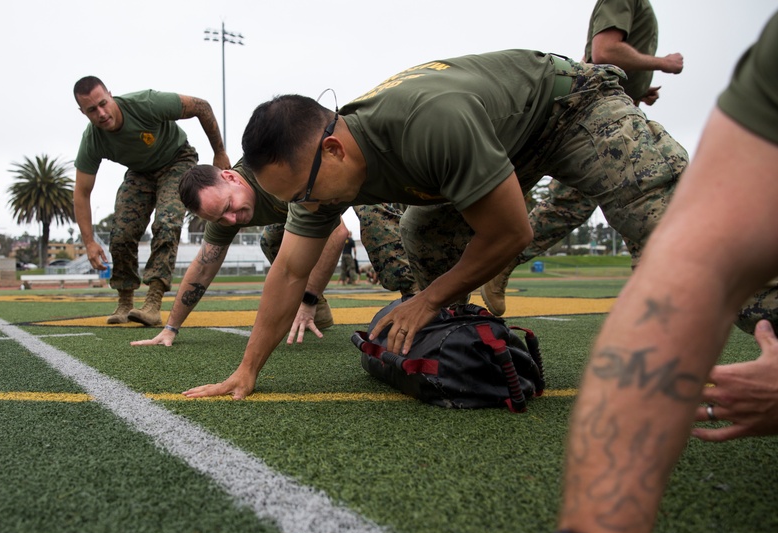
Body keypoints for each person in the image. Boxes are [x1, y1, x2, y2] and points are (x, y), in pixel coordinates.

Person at [372, 12, 778, 533]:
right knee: (449, 229)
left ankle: (496, 263)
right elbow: (698, 253)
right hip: (554, 111)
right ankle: (491, 271)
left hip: (572, 103)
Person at [184, 47, 686, 400]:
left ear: (332, 150)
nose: (306, 206)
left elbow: (513, 233)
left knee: (667, 222)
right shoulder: (317, 171)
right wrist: (247, 370)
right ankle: (464, 341)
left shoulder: (427, 123)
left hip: (565, 108)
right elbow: (289, 273)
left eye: (305, 193)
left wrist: (424, 300)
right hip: (491, 140)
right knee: (422, 232)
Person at [481, 0, 685, 317]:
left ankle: (652, 303)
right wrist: (662, 62)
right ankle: (655, 306)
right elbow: (605, 52)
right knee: (646, 200)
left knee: (581, 207)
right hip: (601, 121)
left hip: (607, 115)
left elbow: (594, 61)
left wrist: (639, 89)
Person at [133, 163, 417, 347]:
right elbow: (203, 267)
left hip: (361, 177)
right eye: (221, 217)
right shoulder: (225, 214)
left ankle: (420, 309)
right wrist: (171, 327)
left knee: (376, 226)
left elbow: (336, 233)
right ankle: (320, 313)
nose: (232, 220)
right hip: (313, 204)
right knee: (272, 240)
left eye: (230, 206)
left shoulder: (276, 172)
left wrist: (306, 299)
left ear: (231, 177)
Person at [72, 76, 229, 327]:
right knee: (122, 234)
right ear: (83, 112)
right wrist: (89, 241)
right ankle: (125, 302)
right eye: (92, 110)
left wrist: (219, 151)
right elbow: (81, 192)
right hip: (140, 171)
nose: (101, 113)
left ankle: (153, 303)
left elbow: (202, 106)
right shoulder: (92, 139)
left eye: (103, 103)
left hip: (177, 160)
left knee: (166, 223)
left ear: (110, 95)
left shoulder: (146, 103)